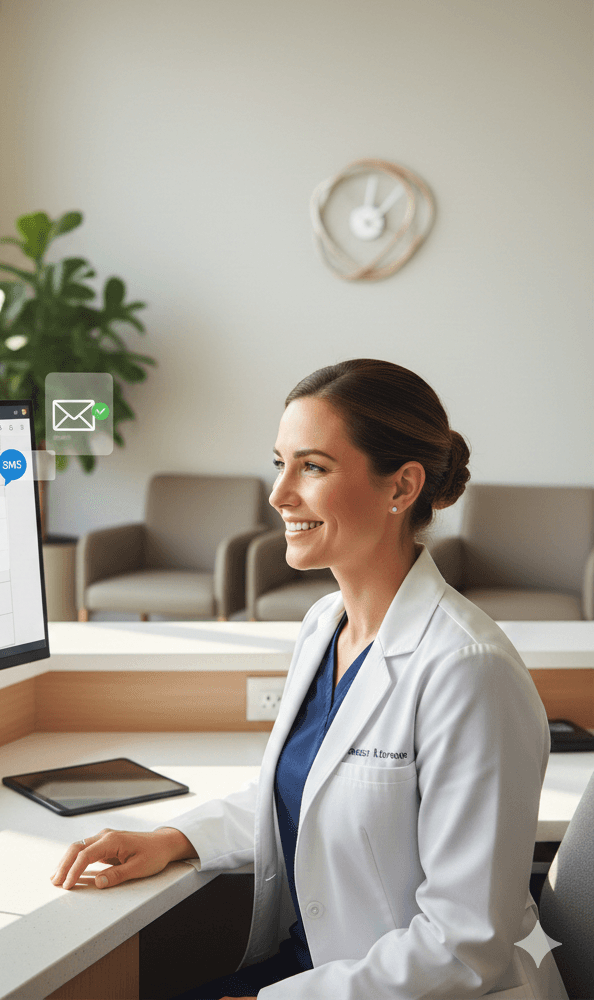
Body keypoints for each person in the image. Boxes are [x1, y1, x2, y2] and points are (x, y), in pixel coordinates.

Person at [50, 359, 569, 1000]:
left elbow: (465, 948)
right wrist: (172, 839)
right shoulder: (327, 624)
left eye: (313, 467)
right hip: (317, 971)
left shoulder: (468, 671)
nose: (279, 494)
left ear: (401, 487)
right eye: (280, 462)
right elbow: (307, 798)